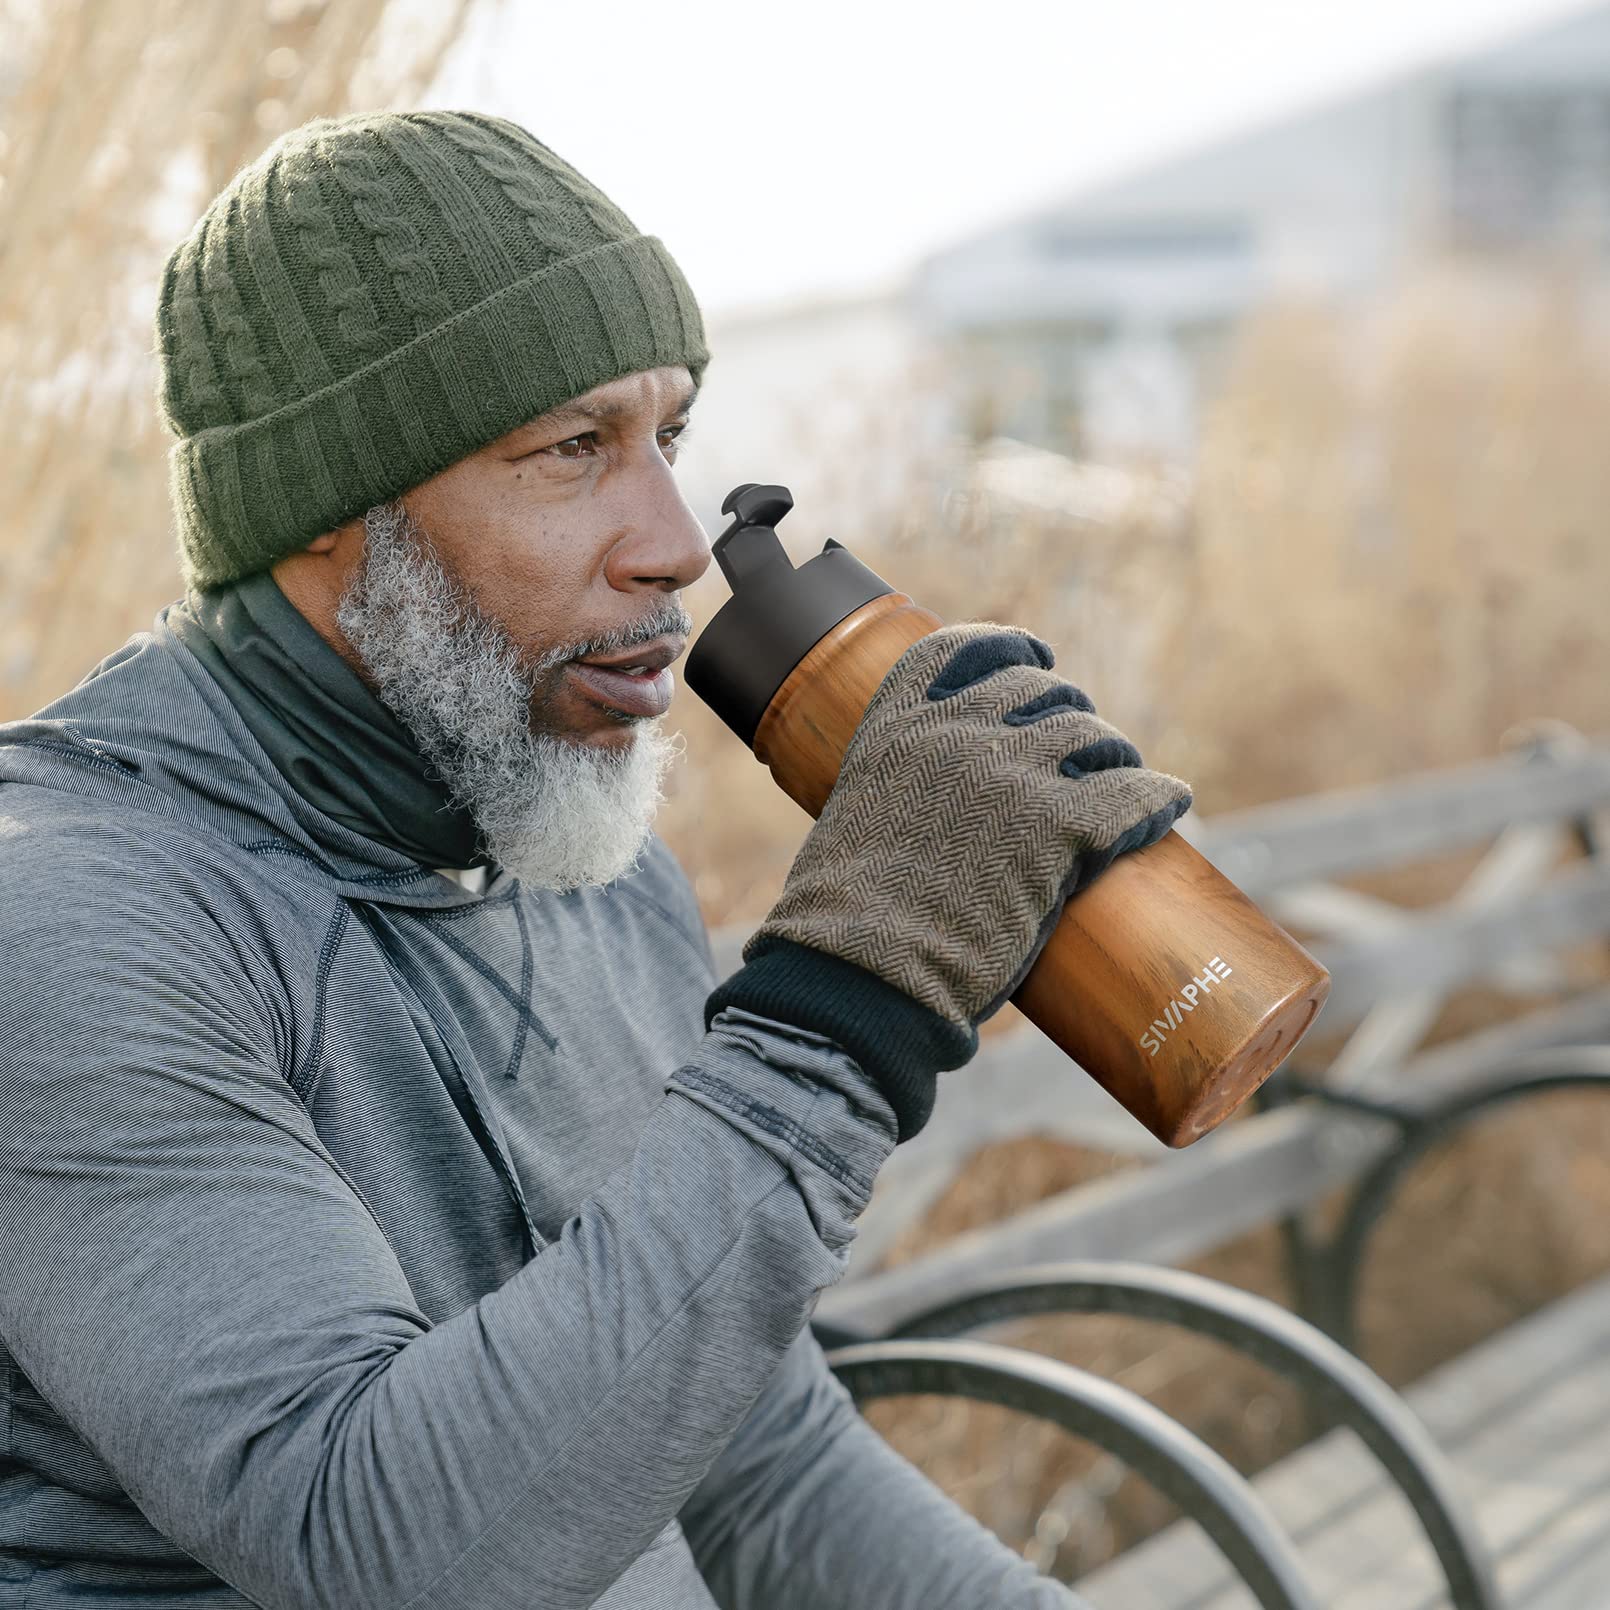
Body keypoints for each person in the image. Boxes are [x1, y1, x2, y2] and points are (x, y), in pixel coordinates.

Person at [0, 110, 1189, 1607]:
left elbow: (761, 1466)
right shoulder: (71, 920)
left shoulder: (585, 866)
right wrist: (841, 1011)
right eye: (570, 449)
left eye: (667, 437)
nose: (676, 540)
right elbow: (385, 1546)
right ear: (329, 516)